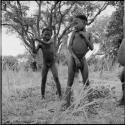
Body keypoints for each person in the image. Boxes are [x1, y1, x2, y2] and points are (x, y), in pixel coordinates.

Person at [65, 14, 94, 107]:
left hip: (83, 60)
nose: (75, 25)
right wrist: (76, 58)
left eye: (76, 23)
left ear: (85, 23)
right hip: (73, 59)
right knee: (69, 82)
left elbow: (92, 47)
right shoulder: (74, 33)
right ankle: (67, 105)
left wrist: (85, 37)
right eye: (74, 23)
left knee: (87, 82)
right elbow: (69, 47)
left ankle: (90, 105)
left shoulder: (89, 34)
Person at [33, 27, 62, 100]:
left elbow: (46, 43)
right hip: (45, 63)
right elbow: (35, 52)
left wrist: (37, 39)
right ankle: (42, 96)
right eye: (45, 34)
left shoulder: (51, 41)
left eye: (49, 35)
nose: (47, 36)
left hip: (52, 63)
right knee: (43, 79)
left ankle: (60, 95)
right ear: (42, 34)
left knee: (56, 78)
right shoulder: (40, 44)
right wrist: (33, 43)